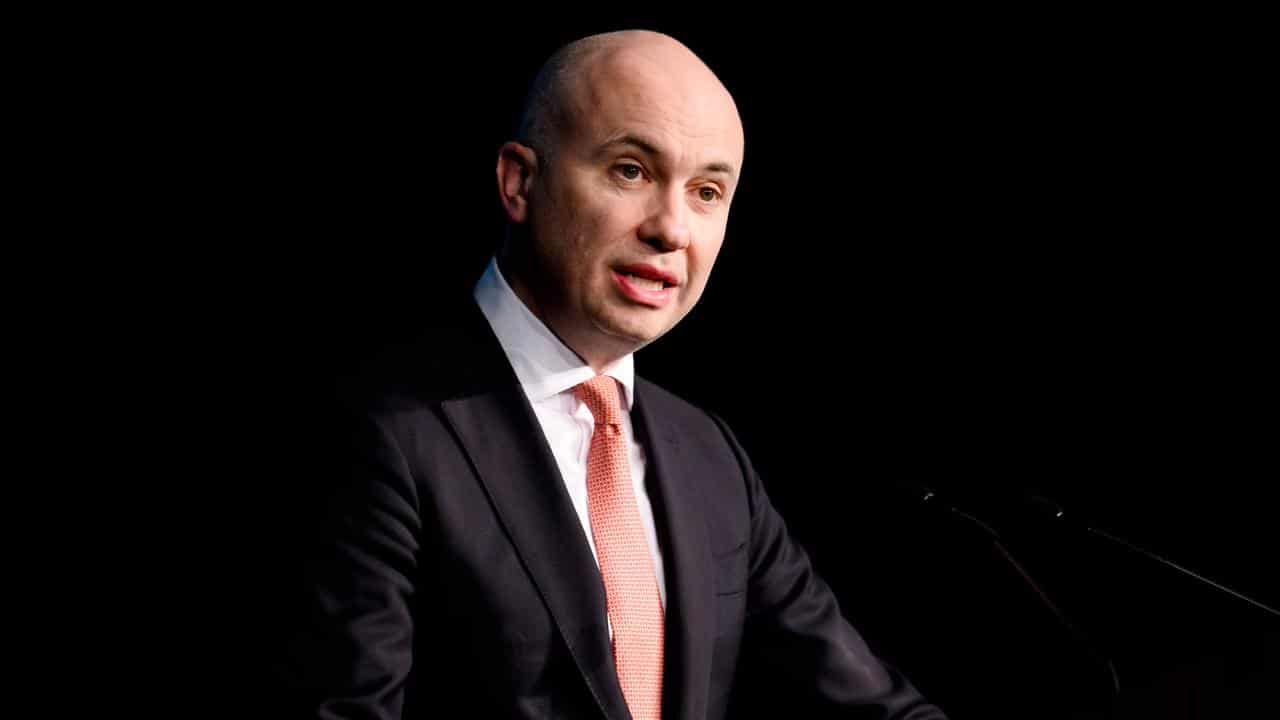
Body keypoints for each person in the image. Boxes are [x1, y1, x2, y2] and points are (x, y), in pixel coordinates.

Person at [284, 29, 947, 719]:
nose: (672, 229)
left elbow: (865, 702)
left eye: (707, 191)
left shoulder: (708, 454)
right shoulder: (378, 429)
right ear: (520, 180)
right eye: (631, 170)